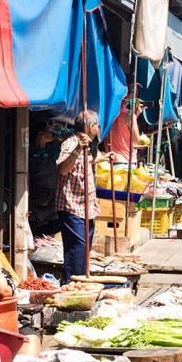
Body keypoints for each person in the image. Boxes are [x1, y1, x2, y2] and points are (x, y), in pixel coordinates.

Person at [56, 111, 110, 284]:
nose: (98, 129)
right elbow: (63, 169)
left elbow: (86, 162)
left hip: (86, 207)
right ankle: (71, 284)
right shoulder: (71, 143)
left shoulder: (88, 145)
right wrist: (78, 148)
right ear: (91, 127)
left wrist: (103, 158)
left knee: (85, 249)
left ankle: (81, 283)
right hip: (72, 206)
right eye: (97, 126)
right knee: (77, 250)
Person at [106, 98, 144, 164]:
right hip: (126, 160)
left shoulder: (111, 114)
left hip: (112, 159)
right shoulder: (130, 116)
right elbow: (137, 140)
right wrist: (135, 115)